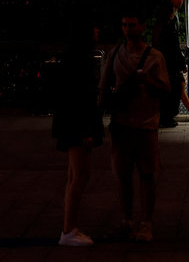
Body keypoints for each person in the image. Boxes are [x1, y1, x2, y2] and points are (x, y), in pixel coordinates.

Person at [99, 10, 171, 242]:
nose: (127, 29)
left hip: (146, 125)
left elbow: (166, 90)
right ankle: (127, 220)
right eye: (124, 25)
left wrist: (148, 82)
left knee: (147, 175)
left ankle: (146, 223)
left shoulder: (154, 57)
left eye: (132, 25)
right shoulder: (115, 54)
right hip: (121, 124)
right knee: (123, 176)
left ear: (142, 27)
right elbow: (103, 88)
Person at [52, 21, 104, 246]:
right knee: (80, 176)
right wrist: (87, 131)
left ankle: (69, 228)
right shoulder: (80, 62)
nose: (97, 31)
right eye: (93, 28)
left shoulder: (71, 59)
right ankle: (68, 230)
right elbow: (81, 99)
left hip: (69, 125)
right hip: (77, 126)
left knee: (74, 176)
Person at [153, 0, 189, 126]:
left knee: (179, 85)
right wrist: (179, 60)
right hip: (167, 59)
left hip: (169, 58)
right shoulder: (168, 15)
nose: (180, 1)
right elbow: (169, 41)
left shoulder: (174, 14)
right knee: (178, 85)